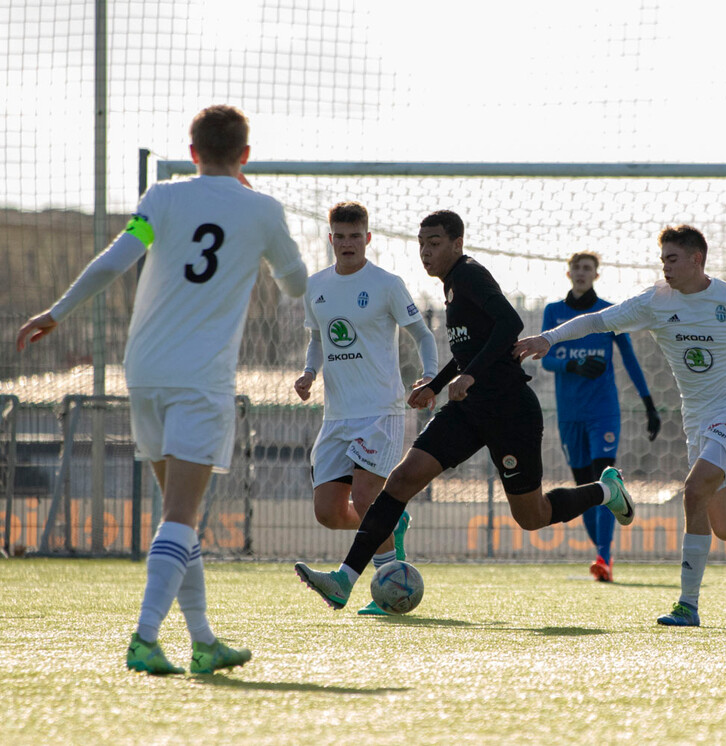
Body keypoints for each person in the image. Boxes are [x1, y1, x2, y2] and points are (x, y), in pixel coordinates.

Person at [17, 105, 308, 674]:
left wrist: (57, 311)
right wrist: (267, 241)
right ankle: (145, 637)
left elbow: (117, 259)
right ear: (245, 155)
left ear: (193, 151)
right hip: (200, 380)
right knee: (179, 512)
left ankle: (202, 641)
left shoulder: (162, 198)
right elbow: (295, 286)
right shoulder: (263, 210)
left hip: (144, 370)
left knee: (179, 515)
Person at [293, 210, 635, 609]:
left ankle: (605, 489)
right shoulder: (451, 286)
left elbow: (508, 324)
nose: (425, 252)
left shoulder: (470, 274)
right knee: (401, 481)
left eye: (434, 243)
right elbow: (469, 349)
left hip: (509, 410)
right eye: (421, 244)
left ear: (457, 244)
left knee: (532, 515)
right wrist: (435, 386)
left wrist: (469, 376)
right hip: (467, 410)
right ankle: (344, 580)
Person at [515, 225, 726, 626]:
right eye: (662, 259)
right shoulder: (655, 301)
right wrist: (549, 339)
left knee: (692, 490)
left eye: (672, 259)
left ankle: (688, 604)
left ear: (696, 259)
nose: (665, 267)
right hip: (697, 419)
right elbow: (597, 321)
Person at [293, 201, 439, 616]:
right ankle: (391, 524)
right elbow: (319, 339)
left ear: (368, 238)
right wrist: (308, 373)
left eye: (355, 236)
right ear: (331, 239)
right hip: (336, 416)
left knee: (365, 495)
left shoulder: (386, 284)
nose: (347, 243)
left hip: (381, 411)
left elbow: (423, 336)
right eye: (340, 236)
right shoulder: (315, 286)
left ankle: (389, 588)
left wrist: (430, 377)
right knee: (329, 513)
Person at [541, 251, 661, 582]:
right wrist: (573, 364)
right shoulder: (553, 312)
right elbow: (545, 359)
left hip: (603, 412)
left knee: (605, 478)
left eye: (587, 268)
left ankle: (604, 557)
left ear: (596, 274)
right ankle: (602, 555)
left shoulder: (609, 312)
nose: (581, 273)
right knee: (584, 488)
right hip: (569, 415)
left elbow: (630, 359)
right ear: (569, 274)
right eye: (576, 268)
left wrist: (649, 403)